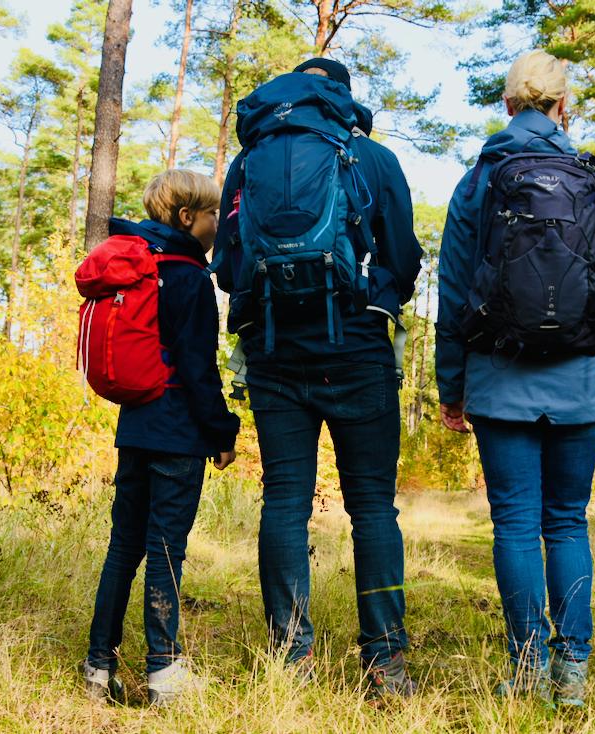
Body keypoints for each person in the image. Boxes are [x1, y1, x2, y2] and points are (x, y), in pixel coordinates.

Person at [435, 49, 595, 706]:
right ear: (563, 105)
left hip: (499, 378)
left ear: (507, 106)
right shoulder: (592, 180)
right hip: (583, 379)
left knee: (516, 524)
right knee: (568, 522)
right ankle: (572, 672)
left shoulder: (479, 180)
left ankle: (526, 667)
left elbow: (451, 289)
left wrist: (452, 386)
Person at [213, 58, 422, 697]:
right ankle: (385, 663)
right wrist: (373, 297)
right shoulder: (373, 159)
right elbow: (406, 257)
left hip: (276, 354)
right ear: (343, 99)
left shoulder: (247, 165)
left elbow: (226, 266)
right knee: (372, 508)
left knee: (284, 503)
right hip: (357, 349)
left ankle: (292, 657)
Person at [81, 170, 240, 705]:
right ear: (187, 218)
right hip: (178, 434)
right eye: (214, 214)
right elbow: (198, 369)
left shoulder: (141, 271)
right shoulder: (191, 279)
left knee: (123, 546)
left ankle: (98, 664)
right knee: (167, 551)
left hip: (135, 428)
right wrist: (222, 431)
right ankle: (163, 671)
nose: (218, 223)